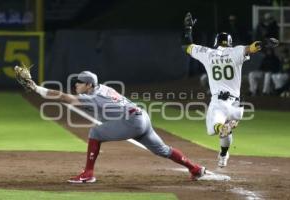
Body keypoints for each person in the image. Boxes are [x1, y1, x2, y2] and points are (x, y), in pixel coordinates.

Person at [24, 71, 206, 183]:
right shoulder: (103, 88)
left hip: (131, 122)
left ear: (88, 85)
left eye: (79, 82)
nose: (76, 84)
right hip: (141, 117)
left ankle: (88, 174)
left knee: (95, 131)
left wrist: (36, 88)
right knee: (163, 150)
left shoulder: (94, 96)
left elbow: (64, 97)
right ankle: (195, 169)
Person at [183, 12, 267, 167]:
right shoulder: (236, 51)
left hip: (219, 102)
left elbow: (186, 46)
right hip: (236, 104)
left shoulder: (208, 53)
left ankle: (222, 128)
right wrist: (265, 43)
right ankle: (223, 153)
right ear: (230, 43)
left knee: (213, 128)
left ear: (216, 42)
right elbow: (253, 48)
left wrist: (188, 28)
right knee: (225, 132)